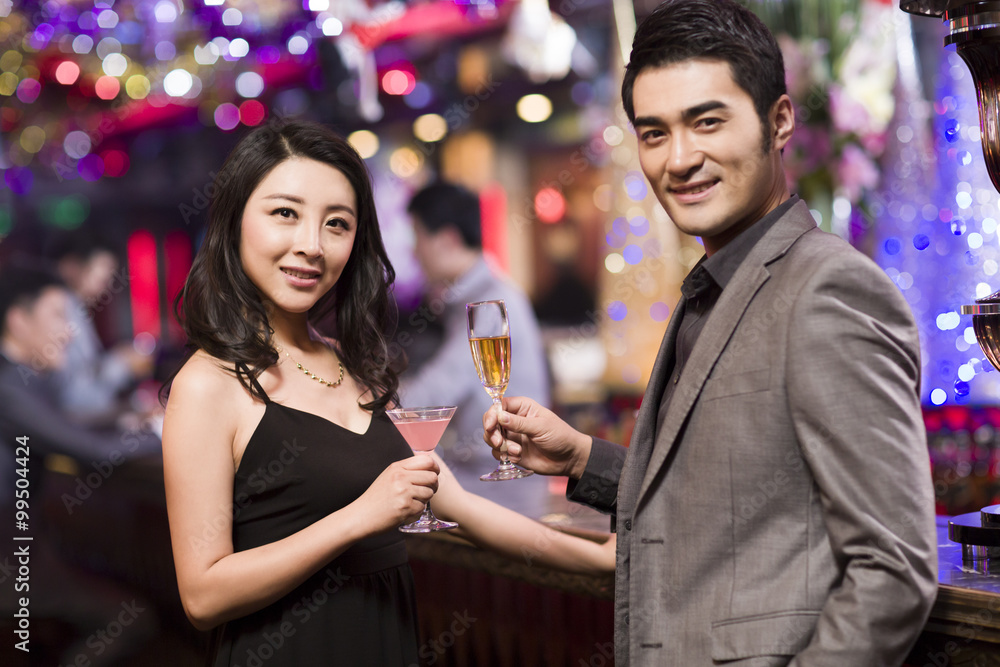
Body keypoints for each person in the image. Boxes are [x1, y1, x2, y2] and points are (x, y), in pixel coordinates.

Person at [483, 1, 938, 665]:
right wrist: (584, 459)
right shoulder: (719, 279)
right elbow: (743, 496)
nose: (680, 158)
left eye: (707, 121)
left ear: (779, 121)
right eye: (654, 132)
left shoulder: (827, 291)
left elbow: (893, 568)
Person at [161, 120, 614, 667]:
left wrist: (603, 561)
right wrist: (360, 516)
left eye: (337, 224)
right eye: (285, 213)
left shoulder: (355, 367)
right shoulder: (208, 384)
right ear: (235, 222)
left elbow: (464, 509)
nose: (311, 245)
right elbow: (203, 596)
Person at [0, 267, 160, 665]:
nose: (70, 333)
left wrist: (127, 422)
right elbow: (96, 453)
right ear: (19, 320)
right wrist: (160, 428)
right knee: (132, 620)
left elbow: (66, 423)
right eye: (58, 316)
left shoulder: (20, 381)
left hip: (24, 546)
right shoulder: (7, 387)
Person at [398, 182, 551, 489]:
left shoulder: (489, 304)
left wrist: (372, 399)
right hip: (485, 470)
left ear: (447, 239)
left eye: (418, 237)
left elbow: (431, 395)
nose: (414, 252)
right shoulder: (469, 297)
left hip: (501, 480)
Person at [47, 232, 154, 425]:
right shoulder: (64, 311)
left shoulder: (78, 310)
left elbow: (85, 373)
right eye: (102, 279)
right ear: (71, 267)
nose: (106, 287)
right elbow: (73, 397)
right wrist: (123, 363)